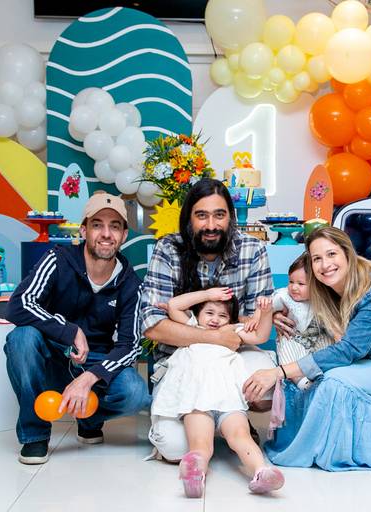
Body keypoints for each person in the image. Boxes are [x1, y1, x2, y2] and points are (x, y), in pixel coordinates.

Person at [243, 227, 371, 471]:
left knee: (333, 379)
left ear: (347, 253)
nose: (325, 264)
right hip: (370, 369)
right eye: (317, 259)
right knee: (319, 378)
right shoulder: (327, 290)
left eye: (331, 254)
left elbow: (347, 350)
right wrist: (274, 314)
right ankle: (336, 444)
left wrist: (278, 371)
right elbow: (292, 303)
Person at [5, 192, 151, 464]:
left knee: (135, 393)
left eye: (115, 226)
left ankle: (89, 417)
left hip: (95, 362)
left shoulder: (131, 284)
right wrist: (69, 330)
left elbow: (130, 346)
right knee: (21, 337)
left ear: (124, 235)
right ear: (84, 229)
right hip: (53, 356)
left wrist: (90, 377)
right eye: (97, 224)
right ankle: (35, 434)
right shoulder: (57, 259)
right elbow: (18, 305)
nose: (106, 234)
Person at [139, 178, 277, 462]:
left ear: (231, 217)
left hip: (232, 356)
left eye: (219, 215)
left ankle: (232, 419)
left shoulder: (252, 249)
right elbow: (152, 324)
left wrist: (248, 323)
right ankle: (208, 422)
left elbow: (254, 320)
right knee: (174, 449)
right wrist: (215, 336)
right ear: (189, 219)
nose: (211, 225)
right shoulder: (168, 249)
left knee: (267, 387)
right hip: (182, 360)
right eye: (201, 215)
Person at [152, 287, 284, 497]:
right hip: (197, 400)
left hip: (228, 399)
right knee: (201, 444)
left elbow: (260, 336)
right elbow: (174, 306)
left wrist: (265, 312)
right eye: (209, 313)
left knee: (241, 436)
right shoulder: (193, 326)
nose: (215, 319)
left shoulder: (233, 332)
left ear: (230, 320)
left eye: (222, 315)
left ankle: (261, 471)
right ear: (198, 315)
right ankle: (195, 473)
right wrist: (207, 295)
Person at [272, 253, 334, 390]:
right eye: (291, 282)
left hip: (317, 337)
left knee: (329, 344)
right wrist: (266, 314)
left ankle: (325, 376)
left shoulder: (322, 300)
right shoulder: (285, 297)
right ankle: (301, 382)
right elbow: (268, 307)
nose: (294, 287)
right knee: (287, 350)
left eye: (301, 284)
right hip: (294, 337)